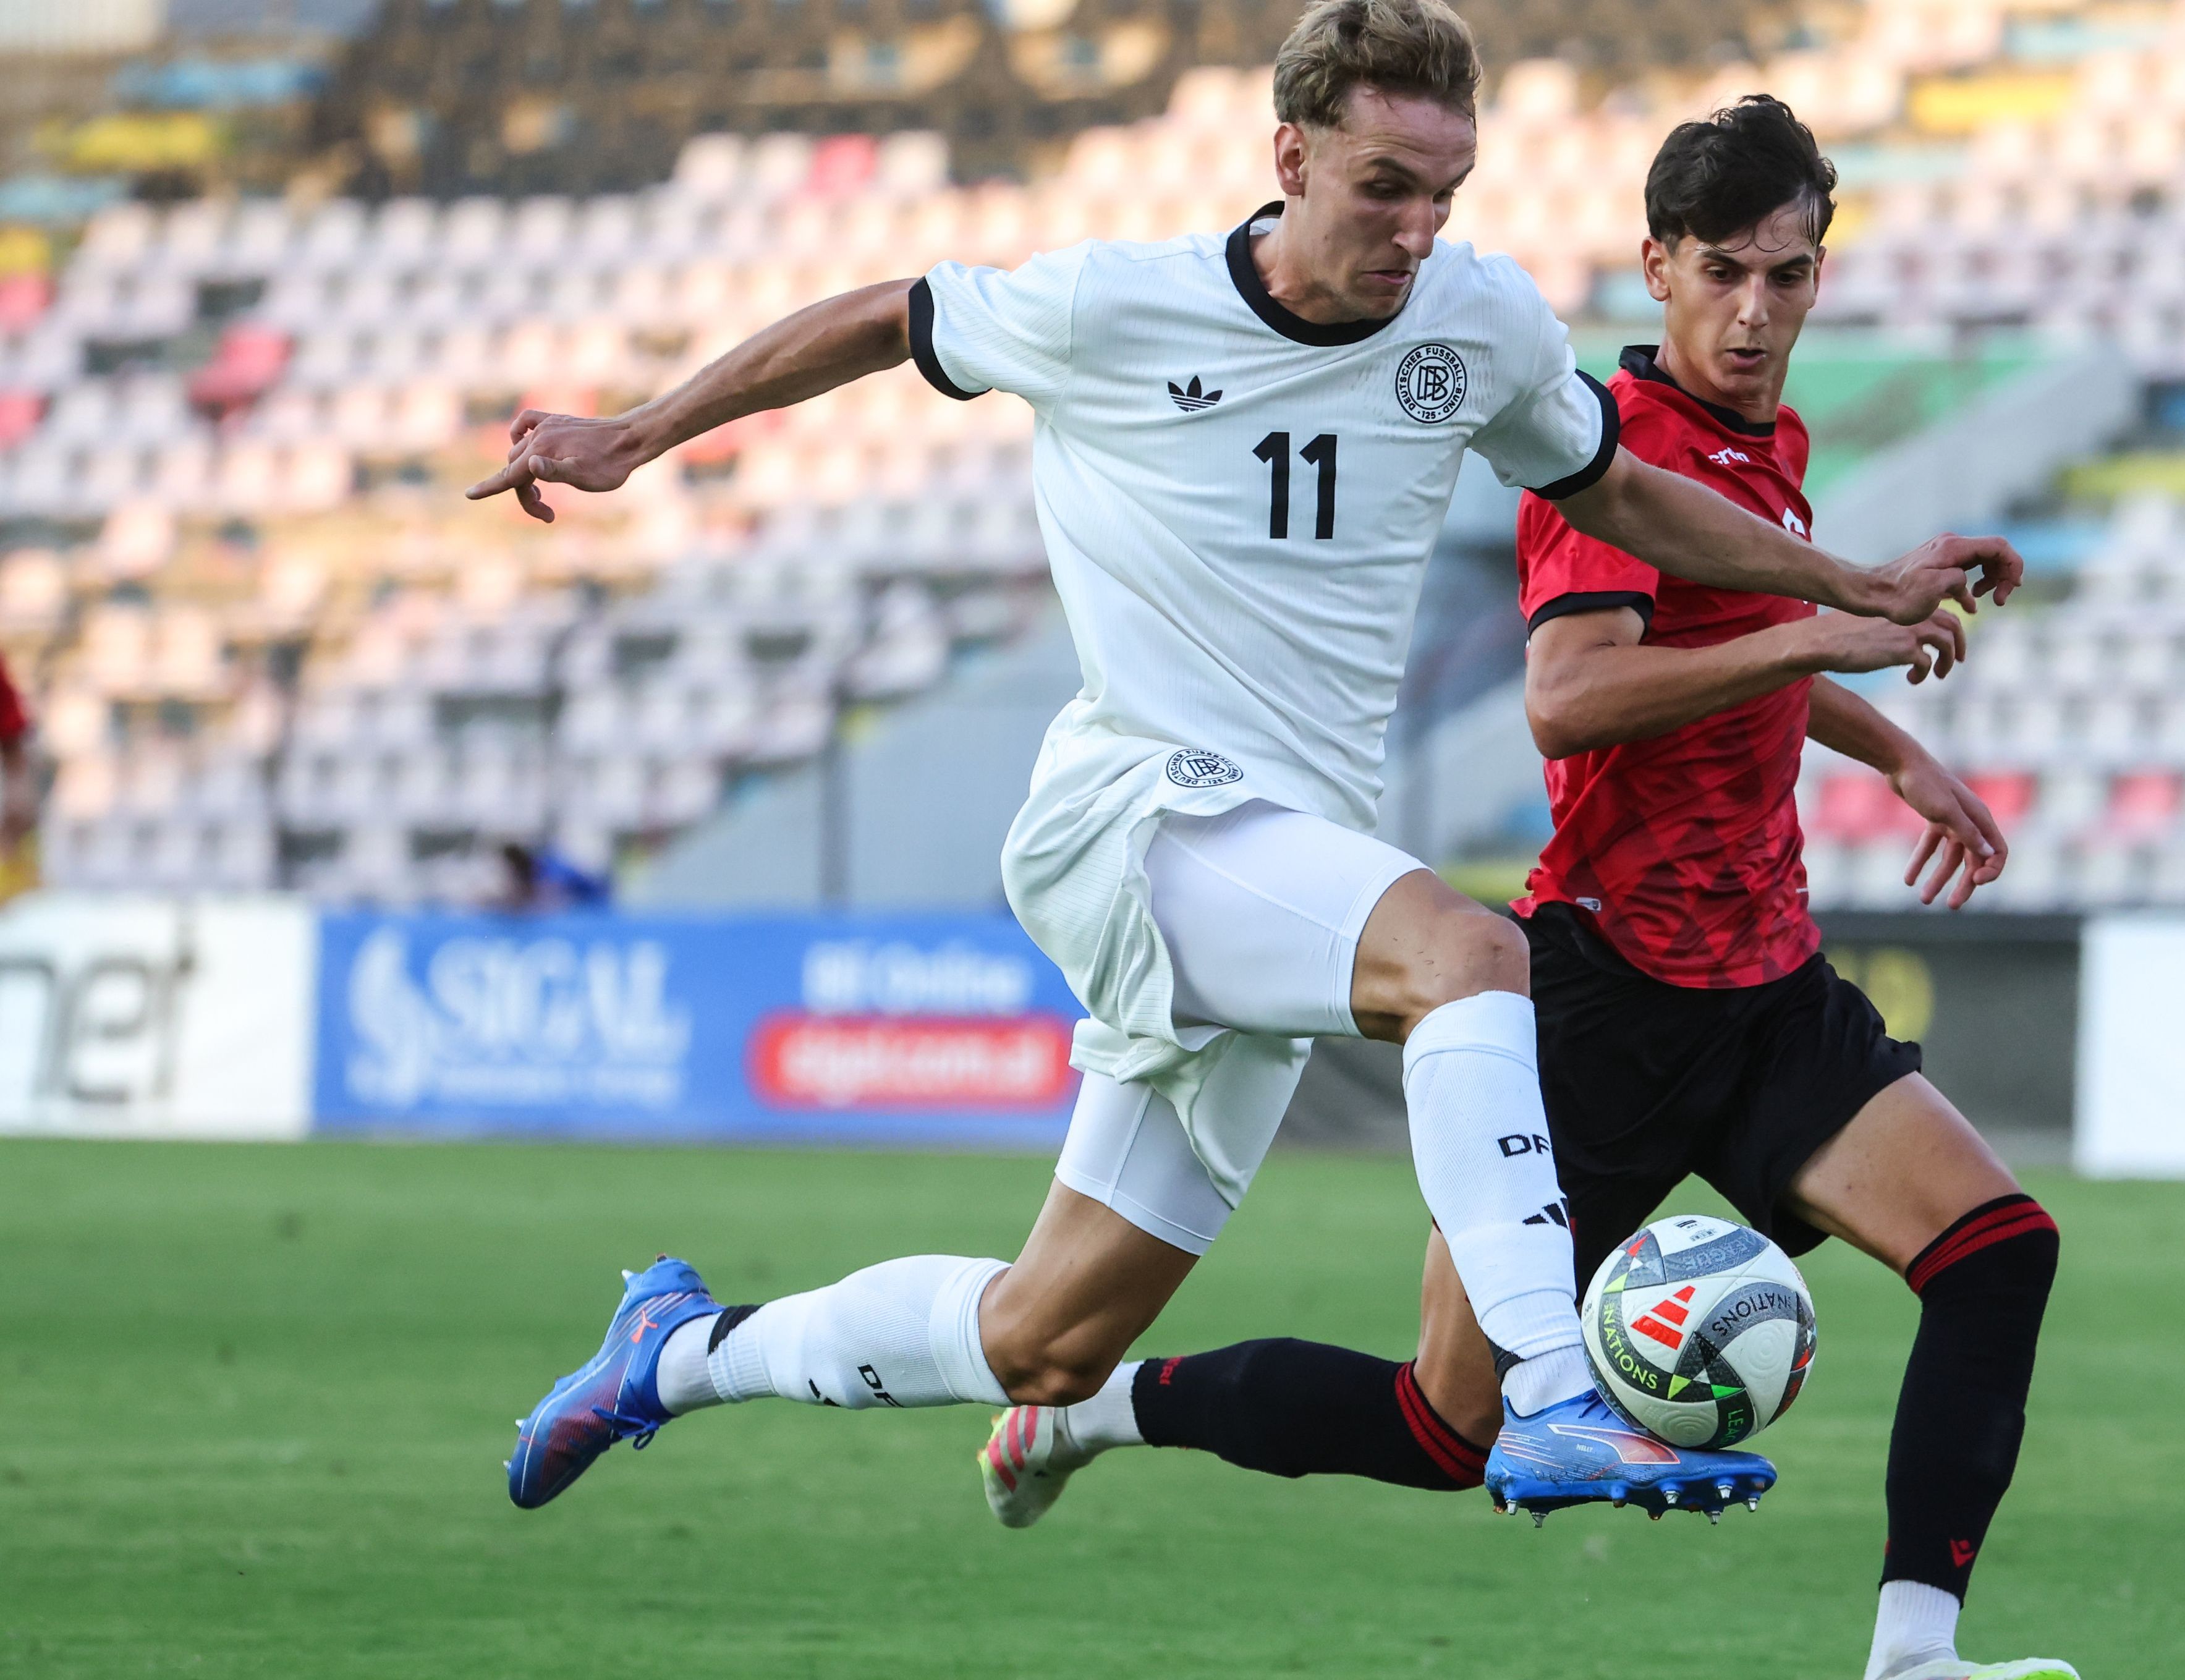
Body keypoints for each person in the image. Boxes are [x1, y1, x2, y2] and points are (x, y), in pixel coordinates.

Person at [474, 0, 2014, 1525]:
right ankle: (1554, 1395)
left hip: (1288, 870)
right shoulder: (1111, 306)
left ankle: (675, 1355)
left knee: (1047, 1334)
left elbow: (1615, 488)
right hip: (1139, 818)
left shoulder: (1473, 324)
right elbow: (893, 314)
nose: (1417, 230)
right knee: (1475, 957)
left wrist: (1853, 586)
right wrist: (639, 432)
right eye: (1384, 188)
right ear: (1289, 155)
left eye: (1445, 195)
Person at [978, 99, 2073, 1680]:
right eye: (1724, 275)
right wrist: (1824, 641)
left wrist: (1885, 745)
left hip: (1764, 986)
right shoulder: (1599, 454)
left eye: (1790, 274)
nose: (1757, 311)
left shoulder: (1776, 445)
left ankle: (1914, 1658)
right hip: (1604, 1000)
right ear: (1658, 268)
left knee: (1998, 1253)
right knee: (1443, 1427)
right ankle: (1093, 1407)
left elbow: (1728, 659)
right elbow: (1570, 696)